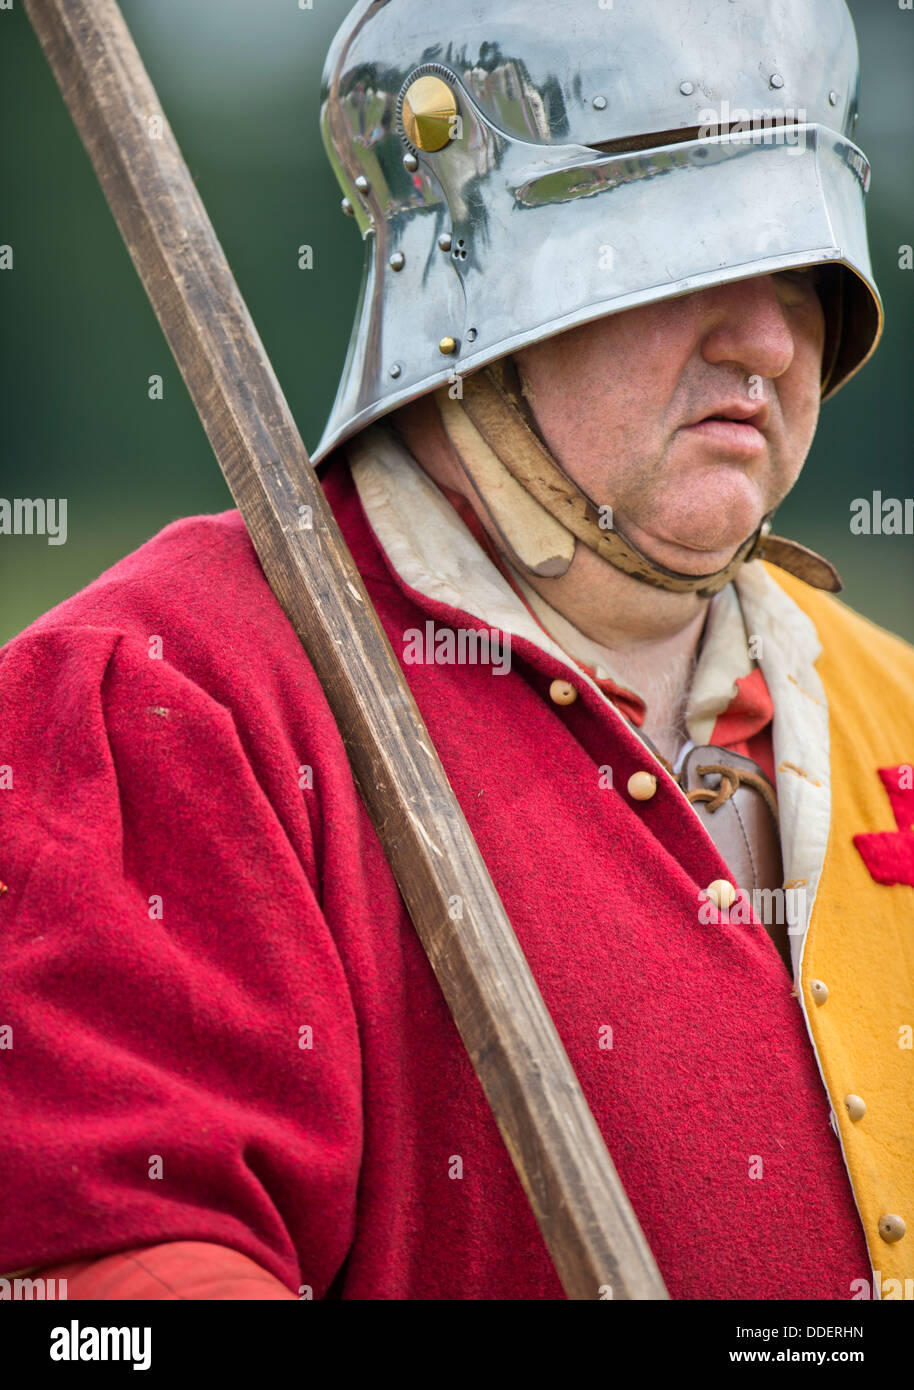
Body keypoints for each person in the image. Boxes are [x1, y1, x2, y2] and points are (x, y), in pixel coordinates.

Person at [1, 0, 911, 1301]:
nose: (767, 340)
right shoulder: (167, 690)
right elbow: (110, 1297)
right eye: (695, 257)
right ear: (484, 297)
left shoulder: (896, 698)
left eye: (800, 275)